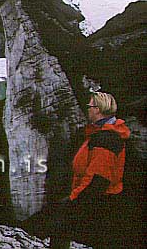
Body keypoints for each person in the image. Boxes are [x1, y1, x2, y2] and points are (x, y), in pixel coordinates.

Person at [49, 92, 130, 249]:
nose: (88, 110)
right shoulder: (101, 134)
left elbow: (98, 179)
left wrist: (72, 199)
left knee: (60, 227)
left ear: (98, 109)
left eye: (90, 106)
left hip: (98, 204)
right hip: (96, 200)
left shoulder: (106, 139)